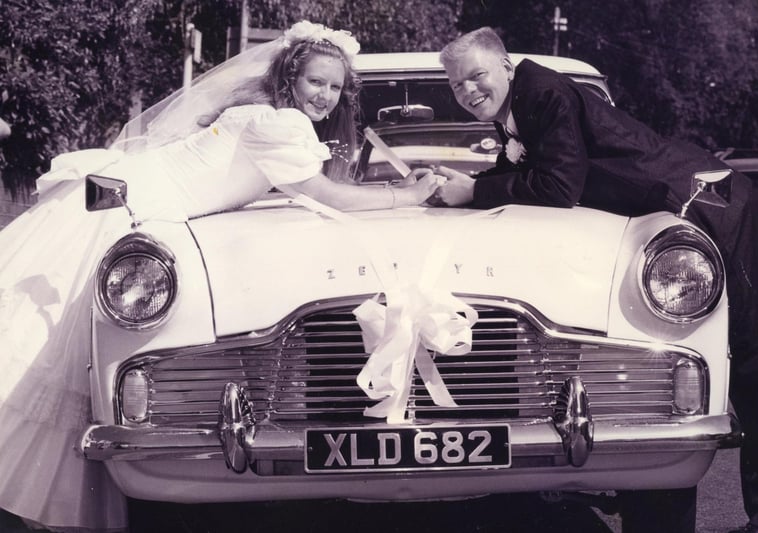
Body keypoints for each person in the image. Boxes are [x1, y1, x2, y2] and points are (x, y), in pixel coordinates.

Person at [0, 20, 436, 532]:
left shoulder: (258, 115)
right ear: (291, 78)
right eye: (316, 82)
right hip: (127, 214)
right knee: (60, 357)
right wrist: (406, 196)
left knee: (54, 355)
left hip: (111, 201)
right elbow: (327, 196)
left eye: (335, 86)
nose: (325, 95)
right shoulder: (283, 126)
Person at [427, 27, 758, 533]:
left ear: (506, 67)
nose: (468, 91)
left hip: (711, 208)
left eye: (476, 76)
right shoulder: (515, 110)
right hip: (684, 214)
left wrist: (473, 193)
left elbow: (558, 186)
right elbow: (524, 175)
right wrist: (463, 188)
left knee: (754, 366)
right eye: (456, 85)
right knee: (746, 367)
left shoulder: (543, 92)